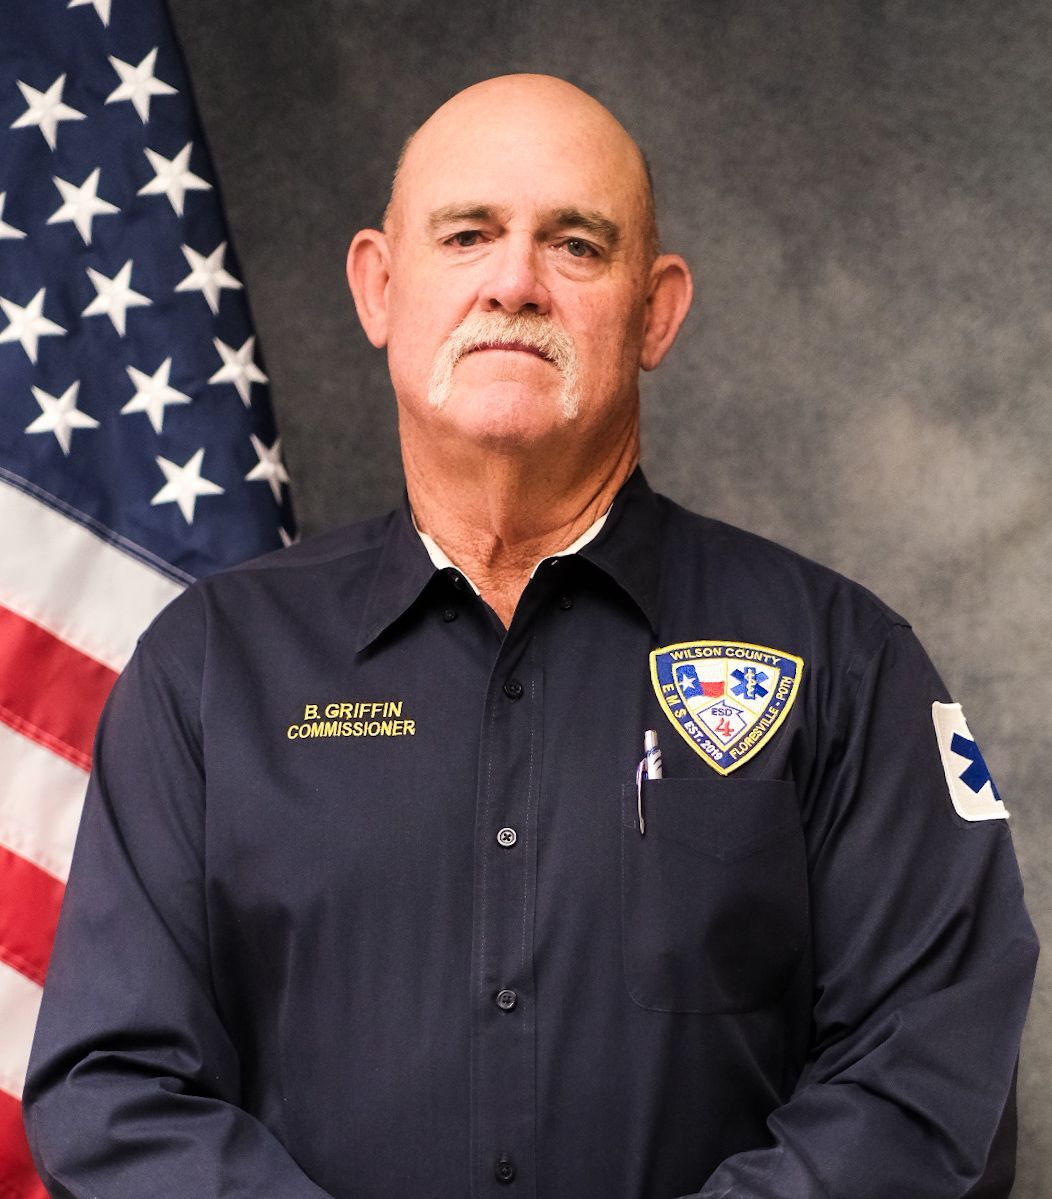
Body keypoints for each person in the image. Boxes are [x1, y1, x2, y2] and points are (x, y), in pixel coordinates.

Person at [24, 74, 1037, 1199]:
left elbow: (927, 1070)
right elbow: (114, 1089)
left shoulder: (845, 663)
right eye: (468, 234)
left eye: (575, 245)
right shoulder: (208, 666)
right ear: (378, 286)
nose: (514, 281)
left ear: (654, 310)